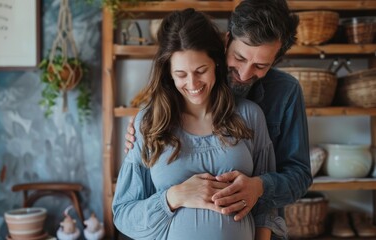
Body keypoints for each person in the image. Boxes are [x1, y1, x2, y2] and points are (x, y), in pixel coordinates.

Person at [124, 0, 312, 226]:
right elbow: (130, 206)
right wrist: (143, 136)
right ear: (227, 39)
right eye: (240, 58)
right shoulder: (198, 74)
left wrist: (260, 186)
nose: (244, 73)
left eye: (261, 66)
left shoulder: (286, 92)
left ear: (276, 59)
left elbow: (299, 176)